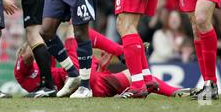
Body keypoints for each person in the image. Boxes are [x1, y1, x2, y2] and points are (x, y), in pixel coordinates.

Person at [15, 25, 192, 98]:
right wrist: (44, 32)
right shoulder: (23, 70)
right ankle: (123, 50)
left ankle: (175, 92)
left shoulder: (45, 65)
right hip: (82, 79)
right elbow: (29, 52)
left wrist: (97, 66)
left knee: (136, 78)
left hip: (89, 80)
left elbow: (43, 50)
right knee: (76, 29)